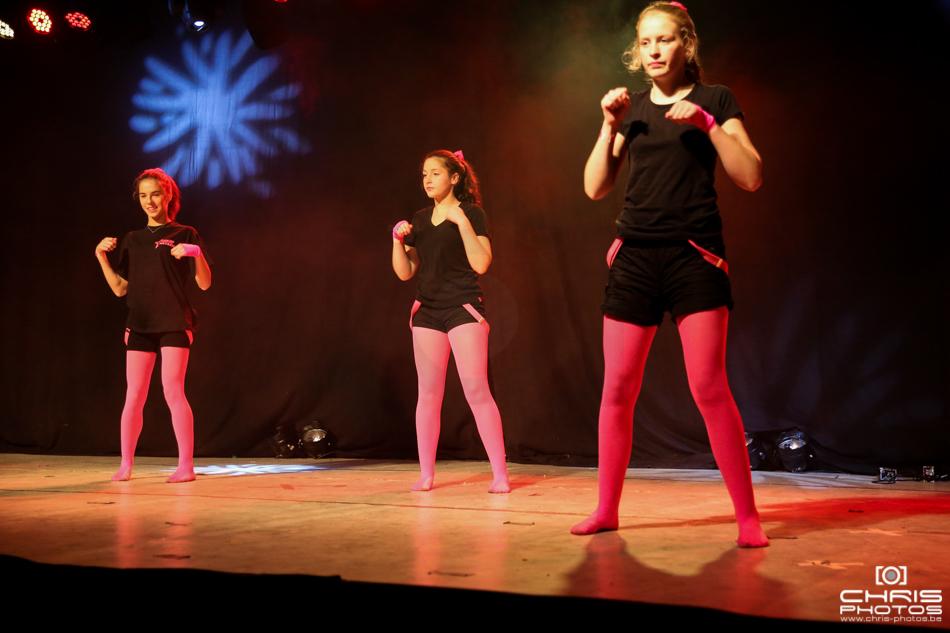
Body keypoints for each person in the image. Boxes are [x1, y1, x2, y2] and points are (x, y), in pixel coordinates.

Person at [571, 1, 768, 547]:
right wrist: (608, 126)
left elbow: (751, 175)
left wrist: (709, 126)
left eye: (664, 40)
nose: (654, 50)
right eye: (646, 42)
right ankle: (606, 510)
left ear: (686, 43)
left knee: (708, 386)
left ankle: (747, 518)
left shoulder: (715, 99)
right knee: (617, 388)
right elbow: (595, 187)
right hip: (635, 257)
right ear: (637, 52)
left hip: (694, 257)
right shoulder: (631, 109)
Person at [391, 150, 510, 493]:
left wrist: (462, 223)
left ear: (454, 178)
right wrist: (397, 241)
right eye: (424, 174)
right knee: (428, 394)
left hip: (462, 307)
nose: (427, 179)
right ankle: (426, 474)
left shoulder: (472, 213)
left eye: (435, 173)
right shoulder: (419, 219)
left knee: (476, 390)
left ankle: (500, 474)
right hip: (427, 312)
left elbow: (482, 263)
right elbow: (405, 272)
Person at [94, 168, 212, 483]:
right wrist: (101, 257)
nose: (149, 201)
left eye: (155, 194)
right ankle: (126, 464)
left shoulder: (185, 233)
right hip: (140, 323)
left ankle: (185, 466)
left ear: (168, 195)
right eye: (144, 195)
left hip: (174, 321)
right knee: (134, 394)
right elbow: (120, 289)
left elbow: (204, 283)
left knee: (172, 389)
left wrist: (196, 253)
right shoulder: (133, 239)